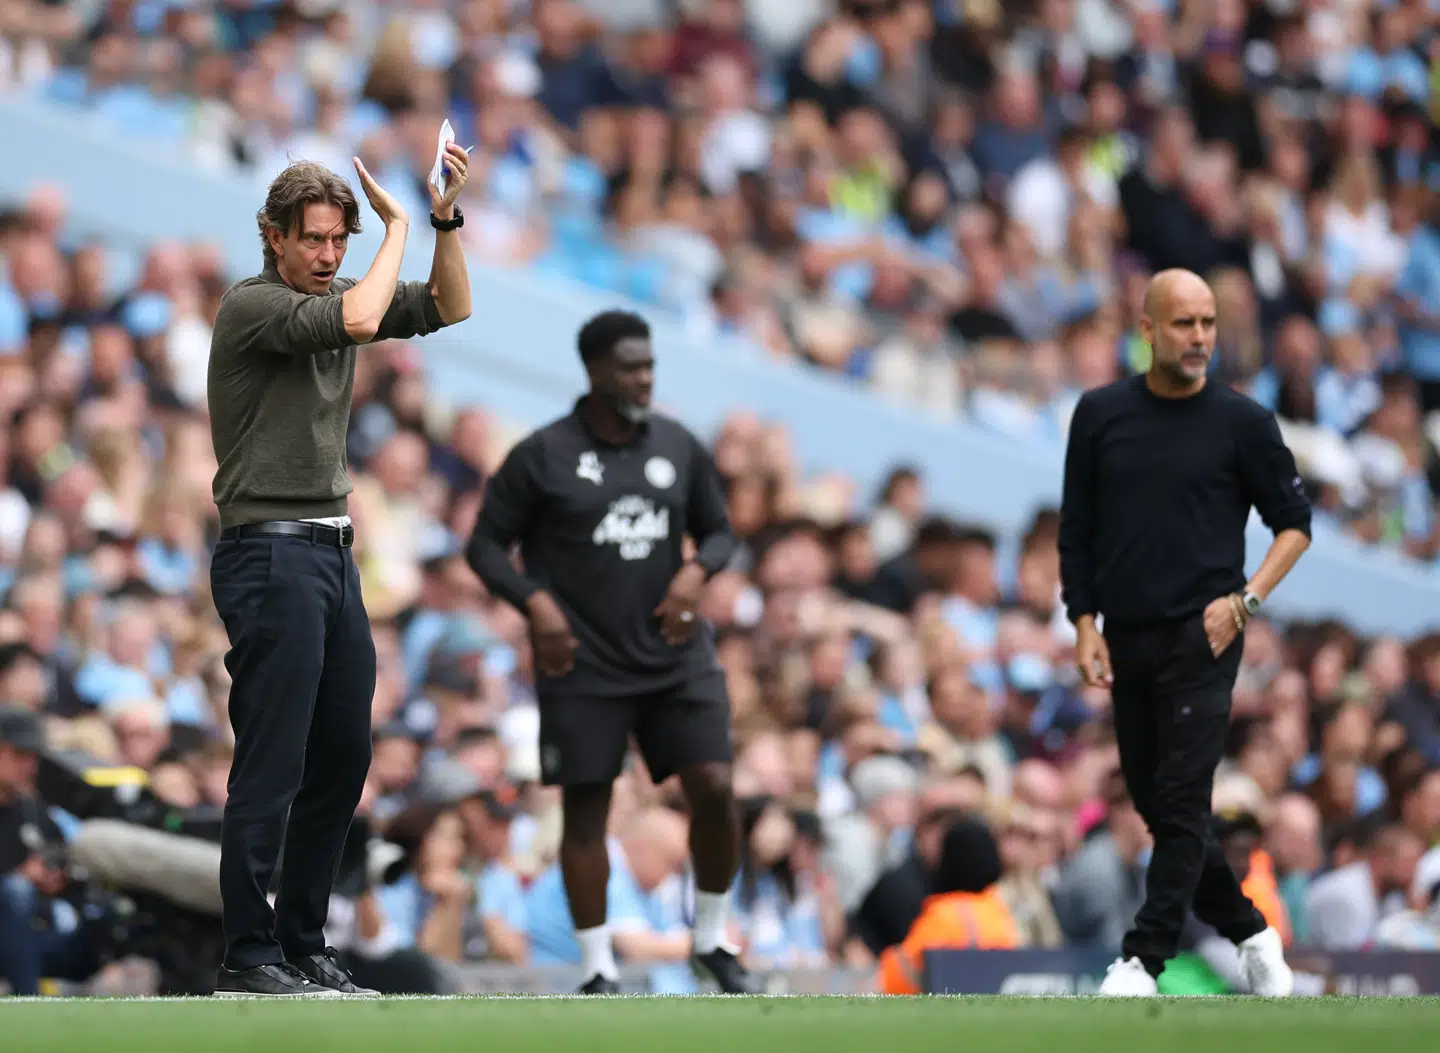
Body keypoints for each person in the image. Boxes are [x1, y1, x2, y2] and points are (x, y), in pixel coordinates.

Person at [206, 147, 473, 997]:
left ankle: (302, 941)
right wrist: (396, 226)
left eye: (337, 239)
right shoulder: (253, 304)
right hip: (268, 549)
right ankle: (248, 953)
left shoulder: (339, 297)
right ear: (274, 237)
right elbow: (358, 321)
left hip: (329, 551)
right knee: (273, 757)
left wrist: (442, 221)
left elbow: (452, 304)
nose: (327, 254)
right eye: (313, 238)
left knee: (344, 755)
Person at [465, 310, 756, 994]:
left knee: (715, 785)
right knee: (586, 809)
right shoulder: (543, 454)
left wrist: (696, 572)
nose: (645, 378)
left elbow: (721, 531)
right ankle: (598, 966)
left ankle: (710, 938)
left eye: (649, 365)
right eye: (631, 367)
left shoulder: (678, 445)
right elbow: (483, 546)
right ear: (595, 371)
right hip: (584, 661)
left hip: (675, 654)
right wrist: (536, 604)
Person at [1058, 268, 1312, 998]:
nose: (1200, 337)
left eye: (1208, 323)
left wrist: (1246, 601)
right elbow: (1078, 529)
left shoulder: (1244, 422)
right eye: (1184, 324)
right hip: (1126, 633)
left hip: (1206, 636)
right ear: (1147, 330)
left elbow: (1295, 525)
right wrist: (1083, 622)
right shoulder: (1100, 414)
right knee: (1156, 804)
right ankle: (1251, 930)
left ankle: (1142, 960)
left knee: (1180, 799)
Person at [0, 706, 101, 996]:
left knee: (105, 907)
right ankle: (28, 998)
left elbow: (61, 855)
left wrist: (57, 878)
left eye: (32, 756)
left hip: (40, 928)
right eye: (18, 754)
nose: (28, 765)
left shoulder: (32, 809)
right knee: (16, 891)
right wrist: (22, 877)